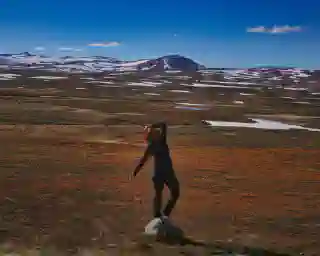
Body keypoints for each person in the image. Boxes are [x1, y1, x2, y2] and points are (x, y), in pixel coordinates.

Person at [130, 122, 180, 220]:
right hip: (162, 174)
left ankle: (164, 214)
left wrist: (153, 126)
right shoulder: (154, 146)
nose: (158, 133)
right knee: (160, 195)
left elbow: (164, 125)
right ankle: (159, 216)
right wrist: (137, 170)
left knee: (174, 193)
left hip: (167, 173)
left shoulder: (162, 142)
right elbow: (144, 160)